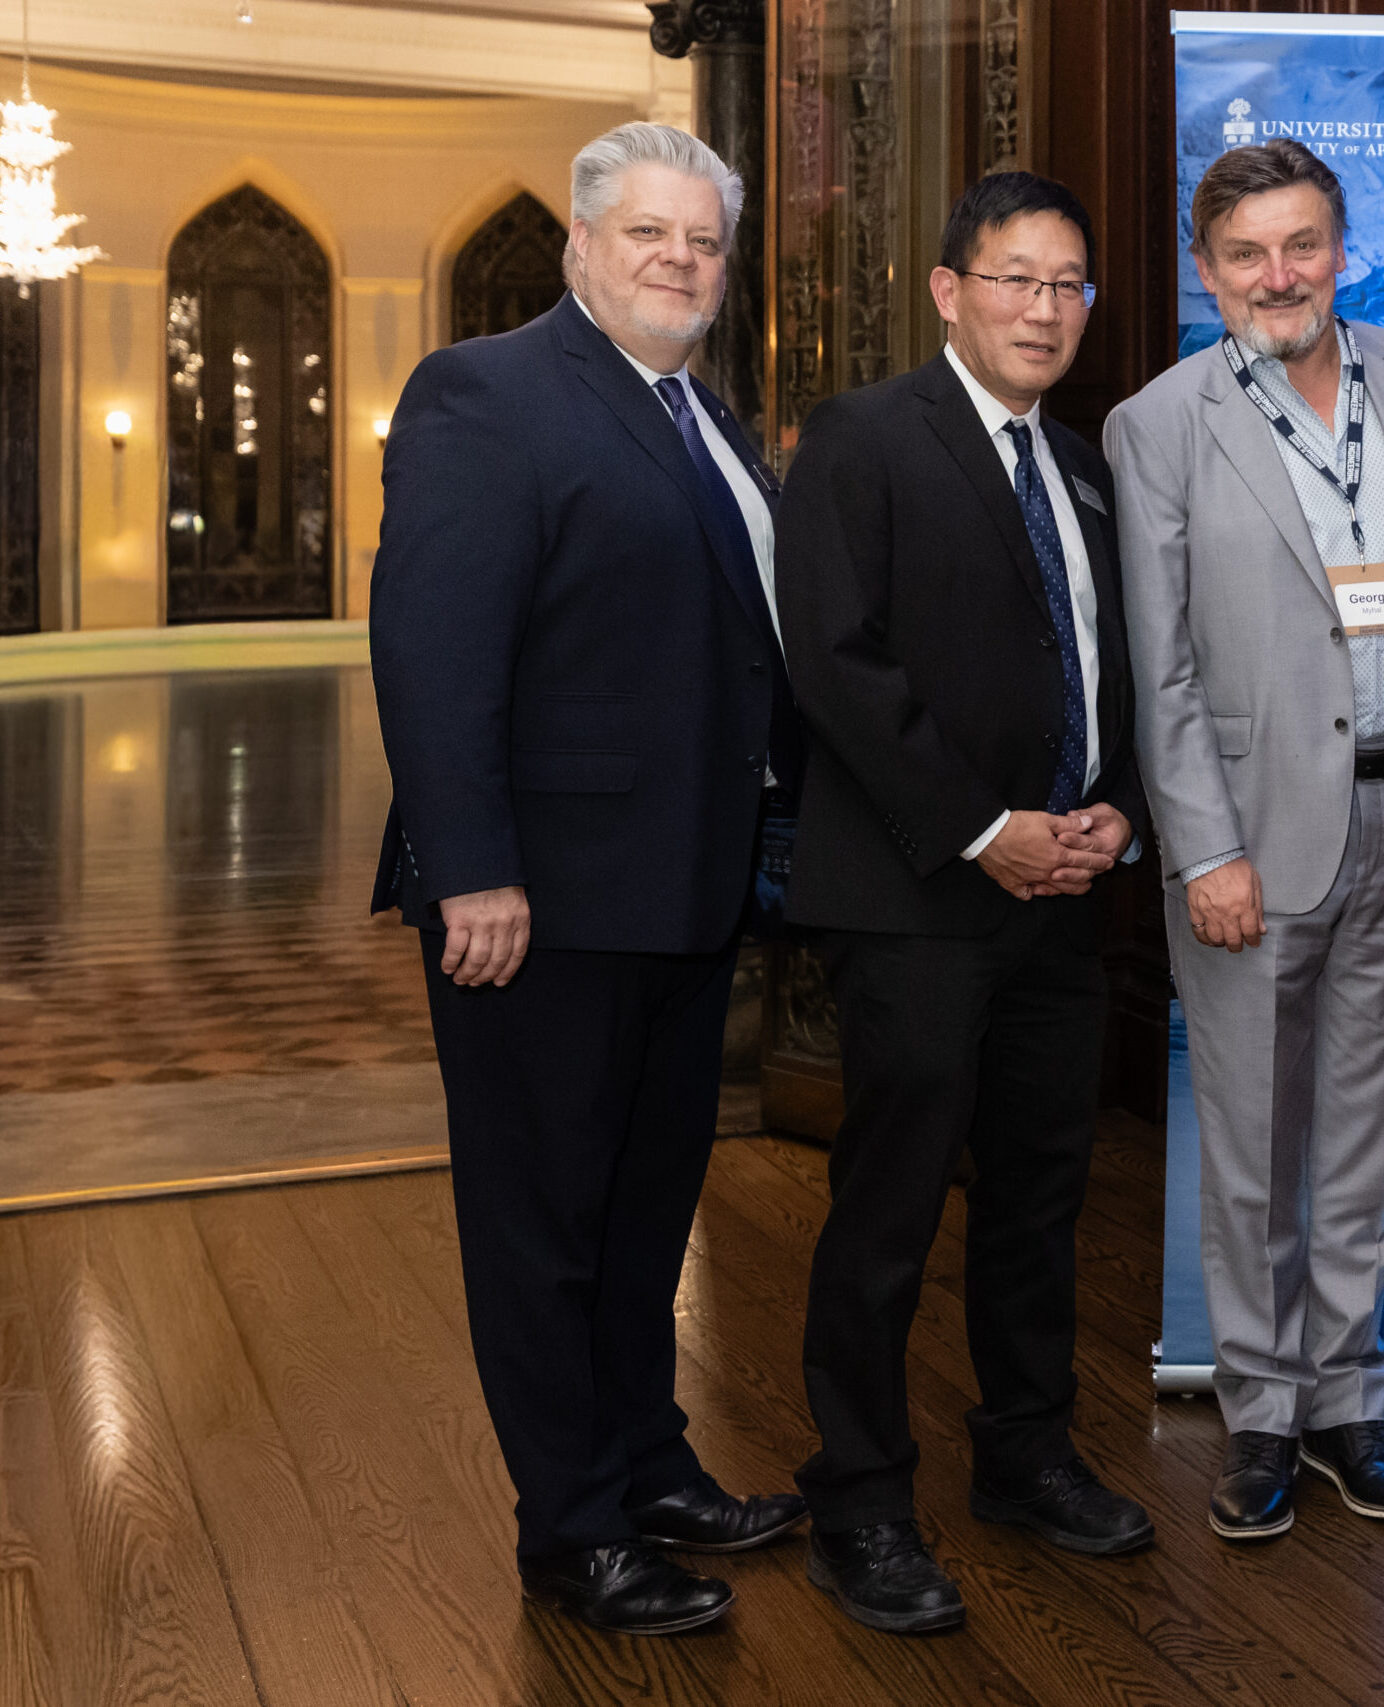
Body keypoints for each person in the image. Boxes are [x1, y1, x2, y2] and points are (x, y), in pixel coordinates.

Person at [368, 121, 806, 1637]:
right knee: (542, 1226)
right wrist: (470, 870)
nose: (681, 261)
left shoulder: (703, 413)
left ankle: (649, 1469)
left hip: (682, 893)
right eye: (649, 235)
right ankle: (571, 1531)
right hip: (538, 906)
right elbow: (433, 652)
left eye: (703, 242)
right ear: (580, 245)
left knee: (641, 1211)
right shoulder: (485, 392)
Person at [774, 171, 1154, 1636]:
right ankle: (859, 1501)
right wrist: (983, 829)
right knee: (888, 1209)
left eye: (1068, 285)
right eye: (1014, 279)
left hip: (1064, 897)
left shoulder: (1088, 468)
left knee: (1040, 1197)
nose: (1043, 310)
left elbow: (1104, 664)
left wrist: (1116, 804)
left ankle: (1026, 1457)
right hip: (919, 896)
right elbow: (836, 661)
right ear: (948, 291)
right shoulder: (864, 438)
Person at [1107, 139, 1384, 1542]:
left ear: (1342, 248)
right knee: (1254, 1138)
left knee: (1368, 1133)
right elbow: (1161, 667)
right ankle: (1260, 1409)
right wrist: (1203, 852)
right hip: (1252, 834)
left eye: (1302, 244)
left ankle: (1347, 1400)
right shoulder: (1160, 422)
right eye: (1247, 254)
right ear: (1206, 272)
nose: (1279, 276)